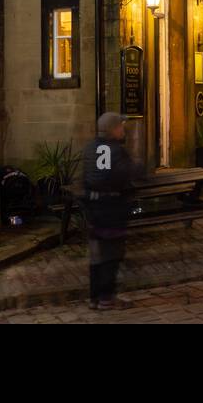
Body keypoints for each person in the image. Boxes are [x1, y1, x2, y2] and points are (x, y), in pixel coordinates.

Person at [80, 112, 142, 310]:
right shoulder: (117, 151)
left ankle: (94, 297)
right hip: (112, 210)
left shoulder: (90, 149)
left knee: (97, 255)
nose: (122, 129)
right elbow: (129, 174)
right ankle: (107, 297)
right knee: (112, 254)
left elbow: (86, 179)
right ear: (113, 129)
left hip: (93, 209)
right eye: (121, 126)